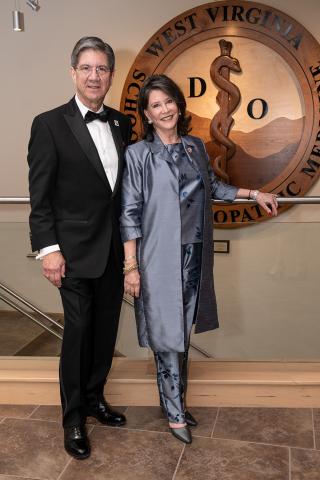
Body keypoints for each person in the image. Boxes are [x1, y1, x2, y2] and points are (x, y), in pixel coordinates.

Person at [119, 74, 278, 445]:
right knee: (166, 334)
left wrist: (252, 192)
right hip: (157, 258)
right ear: (147, 113)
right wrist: (131, 266)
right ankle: (174, 413)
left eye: (169, 101)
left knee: (182, 331)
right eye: (156, 105)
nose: (164, 109)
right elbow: (128, 212)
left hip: (194, 254)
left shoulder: (194, 147)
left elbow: (214, 186)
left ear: (178, 104)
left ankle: (174, 402)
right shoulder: (138, 155)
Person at [28, 36, 131, 459]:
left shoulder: (122, 123)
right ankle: (72, 418)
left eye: (102, 68)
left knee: (106, 331)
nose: (94, 75)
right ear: (73, 73)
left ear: (110, 74)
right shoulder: (49, 123)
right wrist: (47, 249)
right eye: (87, 68)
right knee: (79, 333)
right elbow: (41, 195)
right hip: (70, 253)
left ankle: (94, 398)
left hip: (111, 252)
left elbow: (122, 194)